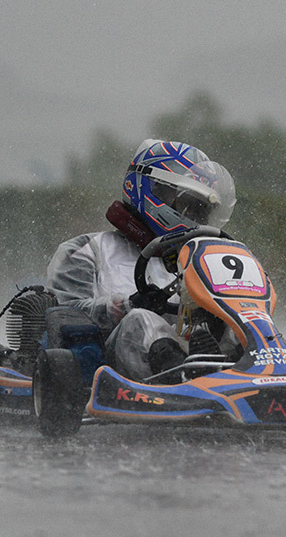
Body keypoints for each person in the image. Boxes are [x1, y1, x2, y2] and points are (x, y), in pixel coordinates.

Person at [46, 139, 237, 380]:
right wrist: (127, 306)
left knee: (238, 324)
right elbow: (64, 315)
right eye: (187, 204)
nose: (194, 217)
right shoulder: (86, 250)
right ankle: (180, 376)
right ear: (151, 189)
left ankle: (283, 367)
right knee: (141, 319)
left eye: (200, 209)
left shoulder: (197, 260)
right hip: (110, 369)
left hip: (194, 356)